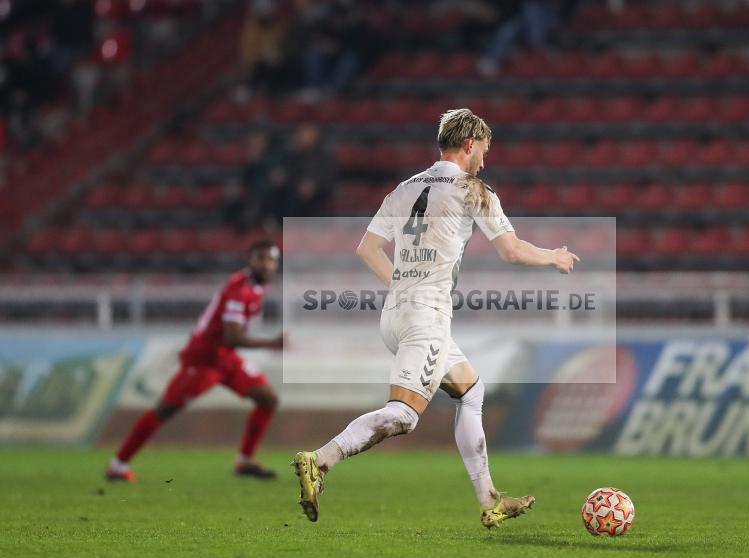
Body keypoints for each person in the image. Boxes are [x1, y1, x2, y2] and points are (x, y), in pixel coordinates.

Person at [291, 108, 579, 527]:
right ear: (469, 144)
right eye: (483, 149)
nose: (485, 159)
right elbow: (511, 250)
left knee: (471, 391)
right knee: (404, 415)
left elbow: (366, 249)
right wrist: (553, 256)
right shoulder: (474, 190)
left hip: (396, 312)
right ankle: (320, 459)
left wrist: (403, 285)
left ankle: (490, 499)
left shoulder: (405, 188)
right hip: (426, 317)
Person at [106, 240, 284, 482]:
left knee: (268, 398)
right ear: (250, 260)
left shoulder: (256, 287)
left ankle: (244, 461)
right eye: (261, 258)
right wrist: (272, 343)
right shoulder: (239, 289)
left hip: (225, 358)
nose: (266, 264)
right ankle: (118, 464)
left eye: (271, 260)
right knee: (165, 409)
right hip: (203, 359)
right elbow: (232, 337)